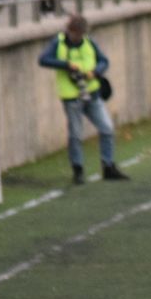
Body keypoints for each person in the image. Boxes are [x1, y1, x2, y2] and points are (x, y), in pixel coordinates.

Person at [37, 15, 129, 186]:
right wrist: (66, 65)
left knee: (107, 129)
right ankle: (78, 170)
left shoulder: (89, 42)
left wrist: (95, 72)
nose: (78, 37)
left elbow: (104, 61)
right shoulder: (58, 43)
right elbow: (43, 60)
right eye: (76, 34)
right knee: (76, 135)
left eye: (81, 34)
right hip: (71, 97)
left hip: (92, 93)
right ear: (70, 31)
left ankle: (108, 166)